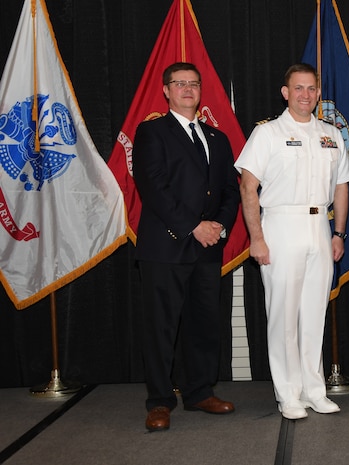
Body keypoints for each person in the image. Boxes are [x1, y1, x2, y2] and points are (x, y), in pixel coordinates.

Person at [234, 63, 349, 420]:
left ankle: (314, 390)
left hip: (320, 227)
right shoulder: (267, 134)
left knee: (314, 314)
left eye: (311, 88)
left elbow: (342, 185)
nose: (306, 95)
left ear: (319, 93)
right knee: (283, 315)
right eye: (298, 88)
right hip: (280, 226)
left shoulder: (331, 134)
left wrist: (339, 233)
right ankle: (287, 394)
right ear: (285, 93)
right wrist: (257, 238)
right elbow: (248, 187)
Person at [132, 62, 240, 431]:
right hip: (165, 247)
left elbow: (230, 190)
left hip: (207, 248)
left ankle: (198, 392)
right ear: (166, 90)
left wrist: (219, 226)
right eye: (180, 84)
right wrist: (193, 226)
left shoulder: (217, 138)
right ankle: (160, 401)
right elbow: (154, 188)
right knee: (161, 327)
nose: (188, 89)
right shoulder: (151, 132)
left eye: (194, 84)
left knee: (204, 324)